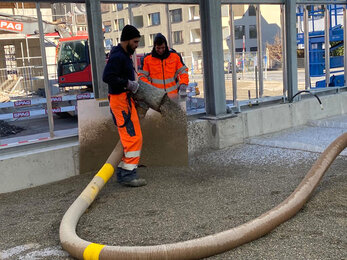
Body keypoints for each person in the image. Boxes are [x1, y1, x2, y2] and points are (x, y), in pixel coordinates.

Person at [103, 25, 146, 187]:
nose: (136, 45)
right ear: (127, 40)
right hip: (120, 101)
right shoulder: (118, 57)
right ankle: (128, 174)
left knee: (131, 138)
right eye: (135, 42)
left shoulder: (123, 55)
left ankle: (124, 171)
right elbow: (107, 76)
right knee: (133, 138)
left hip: (124, 100)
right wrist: (127, 84)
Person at [138, 33, 189, 98]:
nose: (161, 50)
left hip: (173, 96)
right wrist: (150, 89)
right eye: (158, 48)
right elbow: (142, 76)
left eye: (163, 47)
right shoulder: (147, 59)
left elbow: (183, 71)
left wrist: (183, 85)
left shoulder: (175, 57)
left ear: (166, 46)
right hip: (156, 97)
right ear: (154, 46)